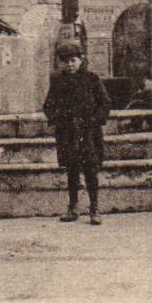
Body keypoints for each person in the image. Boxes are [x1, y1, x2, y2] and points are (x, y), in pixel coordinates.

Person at [44, 40, 112, 224]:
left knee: (90, 169)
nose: (70, 65)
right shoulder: (58, 81)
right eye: (65, 61)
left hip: (88, 132)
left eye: (73, 60)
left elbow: (105, 103)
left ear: (81, 60)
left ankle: (94, 208)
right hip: (68, 133)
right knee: (72, 169)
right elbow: (48, 105)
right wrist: (58, 120)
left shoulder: (92, 79)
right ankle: (73, 207)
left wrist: (94, 121)